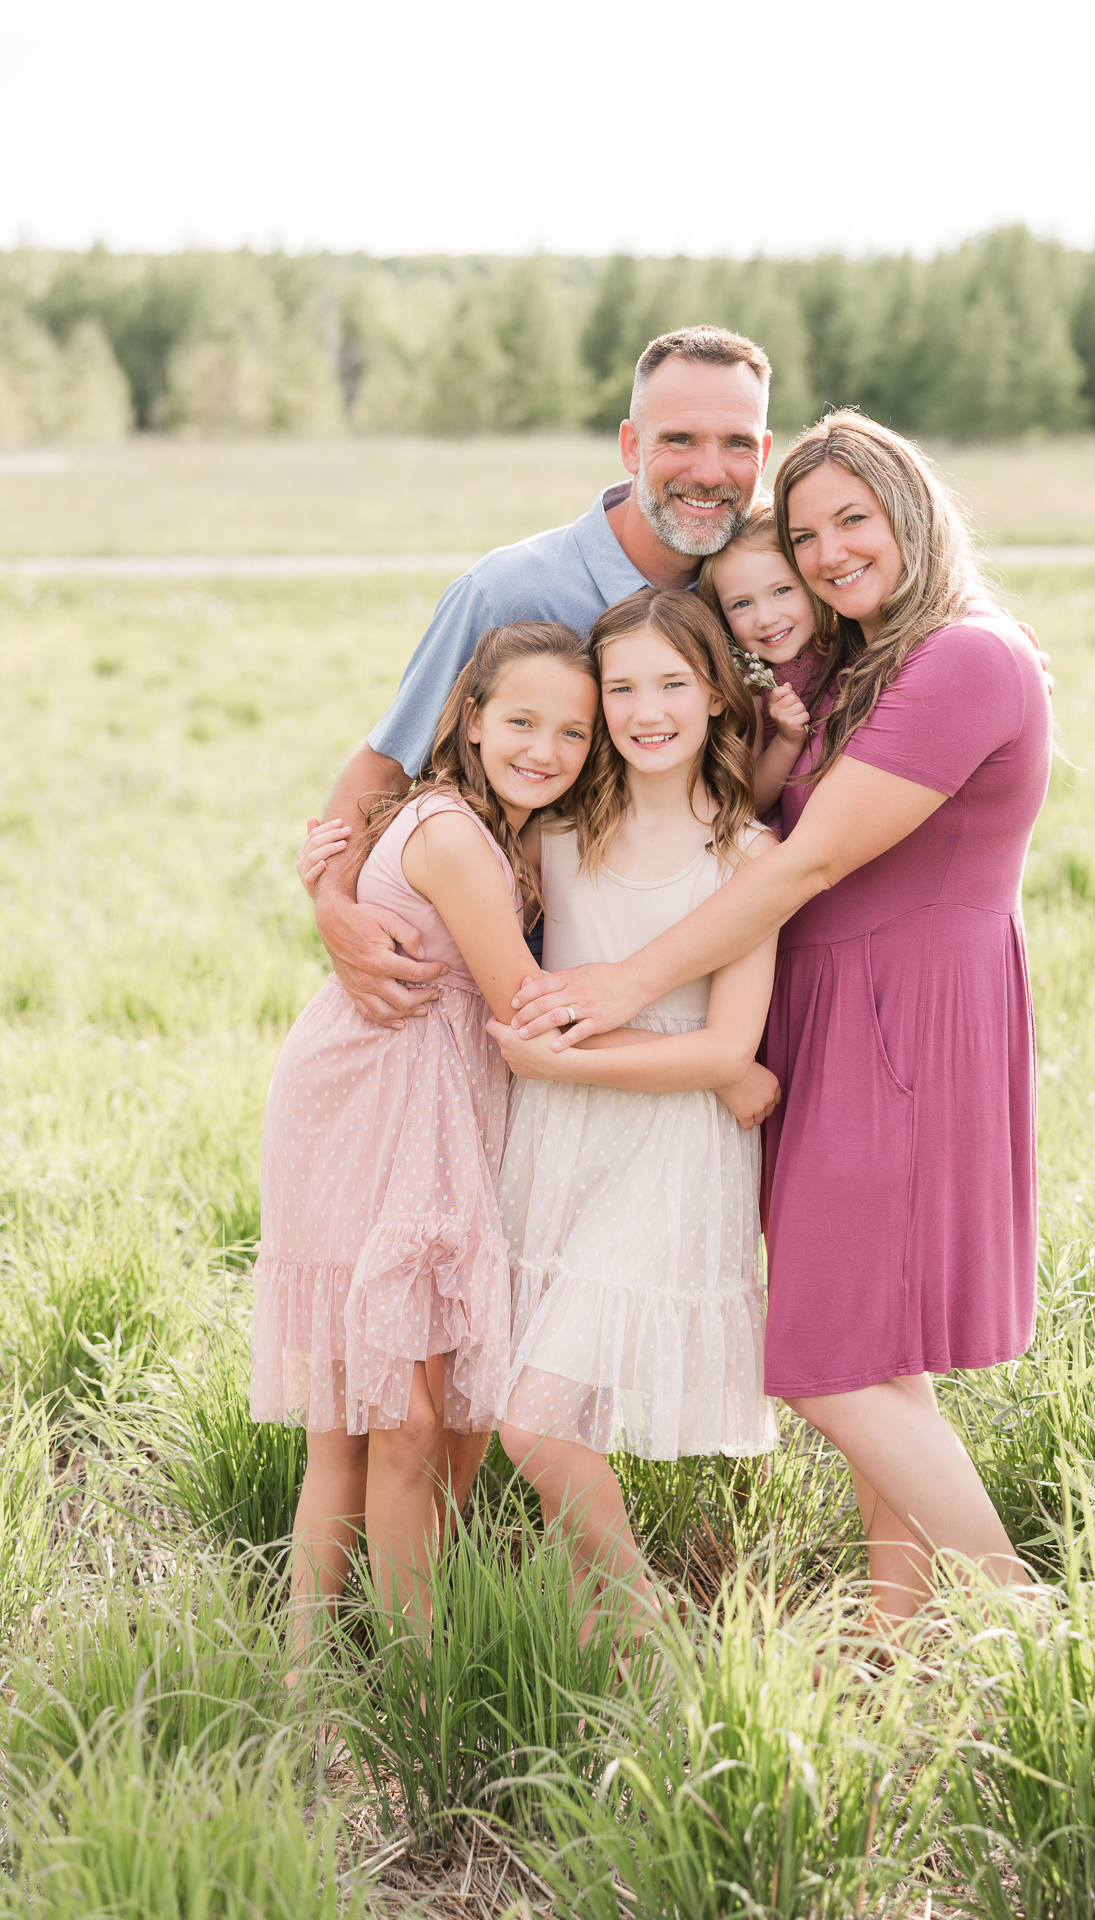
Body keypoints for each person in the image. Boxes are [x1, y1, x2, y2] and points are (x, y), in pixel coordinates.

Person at [509, 411, 1054, 1629]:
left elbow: (801, 867)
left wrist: (622, 984)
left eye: (850, 519)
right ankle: (893, 1642)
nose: (824, 554)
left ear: (912, 507)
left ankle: (1025, 1629)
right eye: (803, 533)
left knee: (825, 1365)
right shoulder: (867, 665)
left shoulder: (966, 657)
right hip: (837, 1020)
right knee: (876, 1359)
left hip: (903, 1026)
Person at [299, 324, 776, 1512]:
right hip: (490, 1030)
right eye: (678, 438)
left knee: (525, 1345)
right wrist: (330, 909)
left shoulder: (751, 588)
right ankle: (442, 1604)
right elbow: (377, 773)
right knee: (466, 1352)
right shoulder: (512, 590)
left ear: (760, 455)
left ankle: (500, 1572)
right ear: (629, 444)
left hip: (649, 1031)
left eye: (733, 443)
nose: (704, 468)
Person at [251, 622, 598, 1659]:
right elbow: (518, 999)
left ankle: (368, 1658)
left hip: (437, 1104)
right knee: (379, 1420)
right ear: (470, 720)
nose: (545, 748)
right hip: (372, 1102)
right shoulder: (448, 832)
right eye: (522, 721)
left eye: (574, 733)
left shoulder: (506, 829)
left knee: (413, 1417)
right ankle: (368, 1674)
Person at [486, 587, 781, 1633]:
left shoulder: (746, 857)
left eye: (671, 683)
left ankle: (645, 1634)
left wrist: (577, 1064)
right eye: (620, 688)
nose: (645, 710)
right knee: (553, 1406)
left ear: (712, 692)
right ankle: (591, 1639)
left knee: (535, 1423)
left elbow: (725, 1048)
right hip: (557, 1147)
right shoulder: (555, 833)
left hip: (665, 1152)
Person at [698, 503, 847, 817]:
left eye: (782, 590)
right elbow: (750, 800)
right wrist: (786, 739)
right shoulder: (748, 684)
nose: (766, 618)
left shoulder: (847, 643)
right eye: (741, 604)